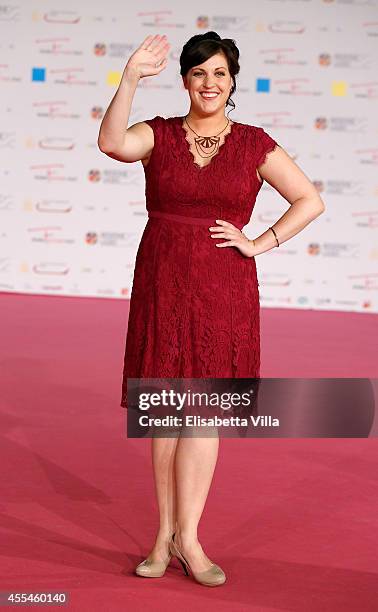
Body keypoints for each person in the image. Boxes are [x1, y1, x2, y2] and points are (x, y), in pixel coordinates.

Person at [98, 31, 325, 587]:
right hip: (162, 279)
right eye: (199, 73)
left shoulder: (253, 143)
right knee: (166, 412)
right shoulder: (158, 134)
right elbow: (111, 144)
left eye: (220, 73)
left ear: (232, 82)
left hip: (224, 286)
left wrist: (260, 241)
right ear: (184, 81)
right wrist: (128, 77)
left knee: (202, 415)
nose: (209, 83)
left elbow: (309, 200)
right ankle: (162, 536)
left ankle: (191, 539)